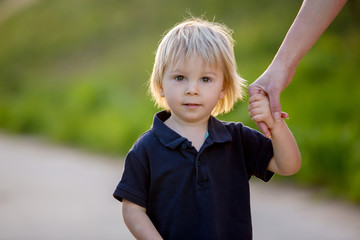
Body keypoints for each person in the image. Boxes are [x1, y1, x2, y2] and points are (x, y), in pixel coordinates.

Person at [113, 18, 301, 240]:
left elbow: (289, 165)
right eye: (180, 77)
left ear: (223, 88)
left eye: (205, 79)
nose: (192, 89)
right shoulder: (146, 148)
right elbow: (132, 208)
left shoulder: (237, 139)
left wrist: (275, 125)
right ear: (161, 84)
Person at [249, 0, 347, 137]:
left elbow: (290, 160)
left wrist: (277, 127)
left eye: (207, 79)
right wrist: (283, 65)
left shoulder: (236, 137)